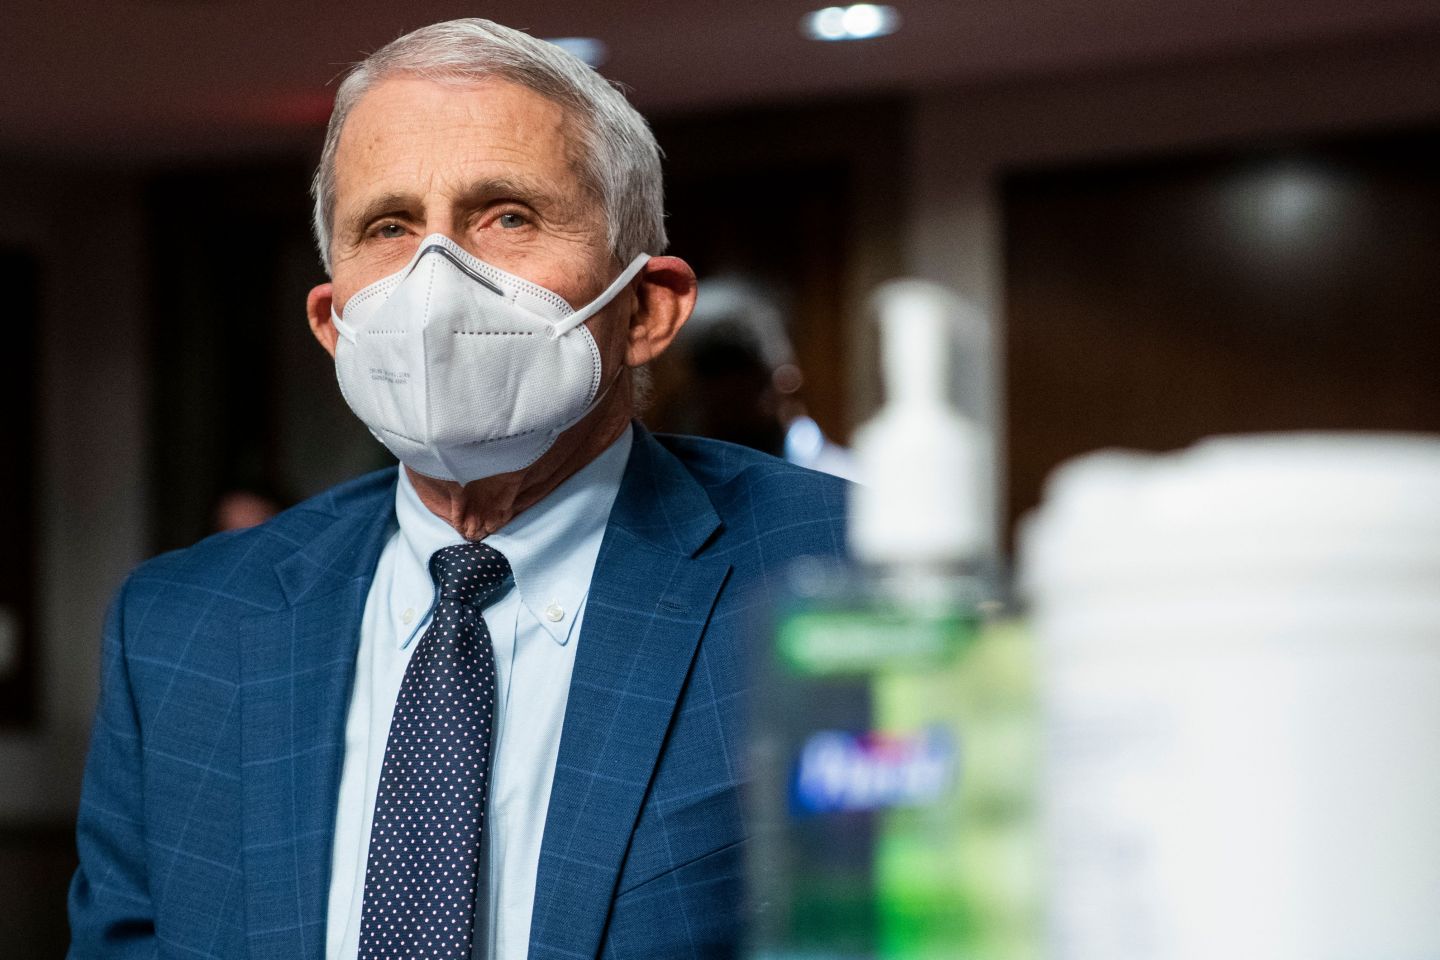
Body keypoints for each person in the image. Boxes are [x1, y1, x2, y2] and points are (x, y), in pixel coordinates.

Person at [66, 18, 847, 960]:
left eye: (507, 215)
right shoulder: (178, 631)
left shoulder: (845, 576)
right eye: (388, 227)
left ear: (647, 308)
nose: (437, 279)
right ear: (332, 323)